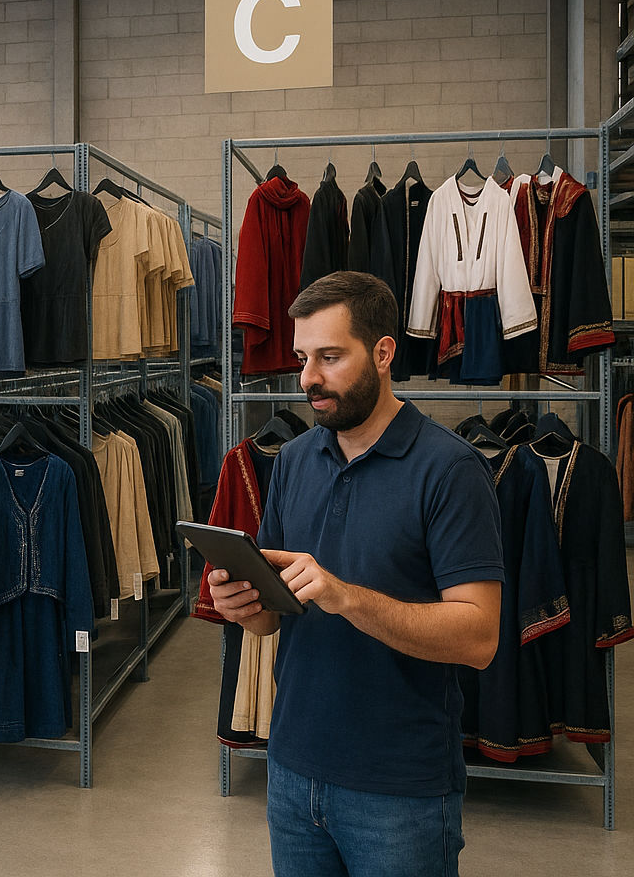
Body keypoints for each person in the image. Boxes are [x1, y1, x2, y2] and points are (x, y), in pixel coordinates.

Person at [208, 270, 504, 877]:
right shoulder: (293, 460)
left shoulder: (450, 470)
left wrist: (346, 597)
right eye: (302, 358)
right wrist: (246, 603)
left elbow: (479, 638)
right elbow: (272, 617)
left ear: (384, 353)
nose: (308, 378)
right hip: (292, 769)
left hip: (401, 788)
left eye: (330, 357)